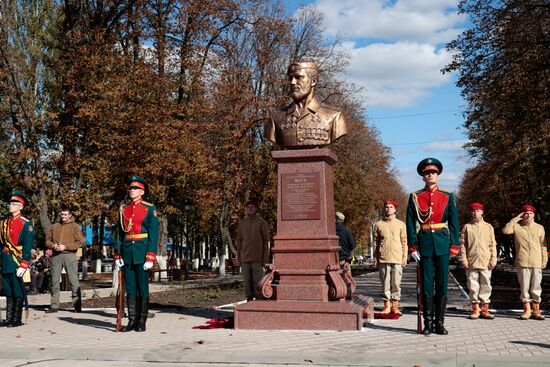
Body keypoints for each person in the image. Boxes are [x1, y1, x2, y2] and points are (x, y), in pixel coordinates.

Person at [406, 158, 460, 335]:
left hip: (443, 243)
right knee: (427, 284)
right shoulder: (416, 197)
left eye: (433, 172)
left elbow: (453, 222)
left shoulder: (447, 196)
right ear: (423, 177)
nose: (430, 175)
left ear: (438, 175)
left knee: (442, 284)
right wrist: (412, 246)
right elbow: (410, 222)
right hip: (425, 244)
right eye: (427, 173)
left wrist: (455, 244)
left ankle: (440, 323)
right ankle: (428, 323)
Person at [264, 61, 347, 148]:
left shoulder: (334, 116)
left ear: (313, 81)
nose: (292, 82)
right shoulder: (276, 118)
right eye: (290, 78)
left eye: (298, 77)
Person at [115, 175, 159, 332]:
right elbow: (120, 234)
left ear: (142, 191)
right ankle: (132, 320)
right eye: (130, 188)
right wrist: (118, 254)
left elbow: (154, 235)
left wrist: (150, 256)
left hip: (142, 252)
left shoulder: (149, 208)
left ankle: (142, 321)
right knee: (131, 288)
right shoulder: (124, 209)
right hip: (127, 252)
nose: (131, 190)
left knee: (142, 288)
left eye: (135, 188)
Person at [502, 204, 547, 320]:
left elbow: (543, 245)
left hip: (537, 262)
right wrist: (516, 218)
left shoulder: (539, 228)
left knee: (536, 286)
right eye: (526, 213)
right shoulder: (517, 227)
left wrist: (544, 259)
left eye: (531, 213)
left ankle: (536, 310)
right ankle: (527, 310)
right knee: (524, 287)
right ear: (522, 214)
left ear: (533, 215)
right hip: (522, 261)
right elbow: (506, 230)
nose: (528, 215)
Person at [0, 191, 34, 327]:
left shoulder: (26, 223)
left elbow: (27, 246)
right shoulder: (4, 223)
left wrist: (24, 264)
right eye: (10, 203)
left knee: (17, 290)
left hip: (17, 261)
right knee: (8, 290)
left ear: (21, 206)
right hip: (6, 259)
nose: (10, 206)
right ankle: (9, 317)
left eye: (14, 204)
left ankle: (16, 319)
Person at [460, 202, 497, 319]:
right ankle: (475, 309)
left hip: (486, 261)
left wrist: (493, 259)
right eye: (473, 211)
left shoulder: (488, 227)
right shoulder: (467, 227)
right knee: (472, 285)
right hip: (471, 261)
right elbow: (463, 245)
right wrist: (464, 259)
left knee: (486, 284)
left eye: (478, 211)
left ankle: (485, 309)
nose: (475, 213)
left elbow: (493, 245)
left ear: (482, 212)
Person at [45, 206, 84, 313]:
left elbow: (80, 242)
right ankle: (54, 306)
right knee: (54, 281)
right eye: (62, 214)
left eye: (65, 214)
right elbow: (47, 241)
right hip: (56, 256)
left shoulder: (75, 226)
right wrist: (53, 246)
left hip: (69, 255)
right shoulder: (54, 226)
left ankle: (77, 305)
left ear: (70, 215)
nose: (63, 216)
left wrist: (65, 247)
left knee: (73, 281)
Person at [374, 200, 407, 315]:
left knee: (396, 283)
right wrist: (376, 258)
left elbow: (404, 242)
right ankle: (387, 305)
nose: (388, 209)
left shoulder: (401, 224)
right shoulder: (379, 224)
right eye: (387, 207)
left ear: (395, 209)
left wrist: (404, 257)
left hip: (397, 258)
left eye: (391, 207)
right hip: (384, 258)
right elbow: (376, 243)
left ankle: (395, 305)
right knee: (385, 283)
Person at [236, 199, 269, 302]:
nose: (250, 209)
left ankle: (259, 300)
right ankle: (249, 300)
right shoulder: (241, 223)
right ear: (246, 209)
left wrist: (264, 259)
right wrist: (239, 258)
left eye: (252, 207)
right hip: (245, 257)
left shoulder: (261, 222)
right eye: (248, 207)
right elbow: (239, 242)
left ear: (256, 209)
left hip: (257, 258)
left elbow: (266, 241)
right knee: (247, 282)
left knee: (257, 282)